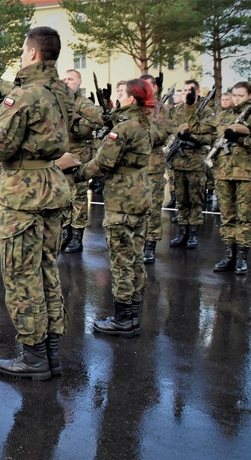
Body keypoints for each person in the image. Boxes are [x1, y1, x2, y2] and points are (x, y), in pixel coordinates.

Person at [0, 27, 72, 380]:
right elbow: (17, 91)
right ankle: (50, 352)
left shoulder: (22, 97)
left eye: (24, 50)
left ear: (34, 53)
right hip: (51, 187)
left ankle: (33, 358)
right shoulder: (60, 90)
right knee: (46, 270)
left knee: (22, 277)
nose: (22, 55)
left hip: (24, 195)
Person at [73, 79, 155, 337]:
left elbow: (103, 162)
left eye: (122, 93)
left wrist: (77, 173)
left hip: (122, 196)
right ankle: (132, 313)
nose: (118, 97)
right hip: (140, 191)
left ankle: (122, 320)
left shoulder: (124, 128)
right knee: (135, 255)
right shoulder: (144, 122)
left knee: (121, 258)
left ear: (131, 99)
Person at [205, 81, 251, 274]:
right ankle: (229, 255)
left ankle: (241, 257)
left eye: (241, 95)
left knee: (245, 216)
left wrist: (239, 137)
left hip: (246, 174)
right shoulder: (223, 115)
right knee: (227, 215)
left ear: (250, 95)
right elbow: (210, 134)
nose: (237, 98)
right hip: (223, 172)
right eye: (234, 95)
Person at [61, 69, 104, 252]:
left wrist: (77, 127)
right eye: (64, 79)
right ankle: (65, 231)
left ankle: (77, 235)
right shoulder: (60, 102)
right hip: (62, 155)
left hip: (78, 155)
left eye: (70, 79)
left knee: (78, 195)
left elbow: (96, 123)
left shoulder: (83, 103)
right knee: (63, 196)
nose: (66, 82)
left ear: (79, 82)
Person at [168, 80, 214, 249]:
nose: (188, 93)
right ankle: (182, 231)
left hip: (195, 163)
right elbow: (172, 130)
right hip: (179, 162)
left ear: (198, 92)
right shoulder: (178, 110)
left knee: (195, 199)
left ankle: (193, 232)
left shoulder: (206, 112)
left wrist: (193, 138)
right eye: (185, 90)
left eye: (191, 90)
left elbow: (210, 136)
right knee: (181, 199)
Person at [140, 74, 173, 263]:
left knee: (152, 208)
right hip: (135, 166)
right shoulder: (136, 107)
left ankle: (150, 243)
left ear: (156, 88)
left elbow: (160, 135)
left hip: (153, 165)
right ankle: (138, 241)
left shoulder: (162, 110)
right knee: (136, 207)